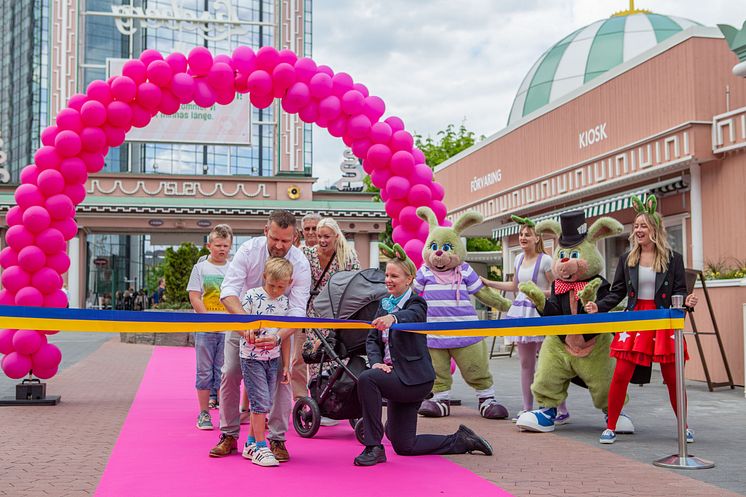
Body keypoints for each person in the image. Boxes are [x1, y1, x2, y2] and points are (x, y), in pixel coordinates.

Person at [354, 243, 494, 467]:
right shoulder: (384, 305)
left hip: (414, 379)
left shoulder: (417, 302)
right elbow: (372, 339)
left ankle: (373, 446)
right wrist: (377, 362)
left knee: (367, 379)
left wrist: (394, 318)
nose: (388, 279)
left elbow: (413, 315)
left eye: (394, 276)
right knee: (404, 446)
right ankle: (461, 441)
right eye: (386, 275)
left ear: (409, 279)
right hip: (393, 376)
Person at [586, 195, 698, 444]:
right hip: (636, 319)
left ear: (655, 229)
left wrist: (686, 302)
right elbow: (617, 292)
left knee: (672, 377)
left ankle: (684, 426)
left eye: (643, 226)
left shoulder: (673, 258)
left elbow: (679, 290)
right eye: (636, 226)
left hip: (663, 318)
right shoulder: (627, 259)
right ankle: (611, 426)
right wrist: (598, 307)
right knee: (621, 374)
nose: (638, 230)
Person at [210, 210, 311, 462]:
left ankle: (277, 439)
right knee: (230, 372)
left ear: (294, 237)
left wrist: (277, 337)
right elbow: (228, 291)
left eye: (285, 241)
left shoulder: (300, 264)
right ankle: (229, 435)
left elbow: (298, 312)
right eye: (274, 238)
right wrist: (245, 324)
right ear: (266, 230)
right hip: (241, 321)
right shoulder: (248, 250)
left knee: (282, 378)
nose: (279, 245)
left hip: (281, 331)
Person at [480, 215, 570, 423]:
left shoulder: (546, 261)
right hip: (522, 314)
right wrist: (488, 282)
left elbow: (557, 289)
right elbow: (513, 287)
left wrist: (536, 293)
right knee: (525, 363)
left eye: (527, 234)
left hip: (540, 313)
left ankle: (560, 408)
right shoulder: (519, 259)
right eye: (521, 234)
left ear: (537, 238)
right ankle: (527, 408)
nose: (523, 237)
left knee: (549, 364)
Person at [301, 217, 360, 425]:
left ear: (336, 235)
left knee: (339, 354)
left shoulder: (348, 256)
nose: (322, 240)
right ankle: (321, 399)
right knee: (316, 355)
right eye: (319, 236)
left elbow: (356, 283)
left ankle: (340, 398)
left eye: (326, 236)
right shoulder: (306, 253)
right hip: (315, 311)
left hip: (339, 311)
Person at [239, 257, 293, 467]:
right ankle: (262, 447)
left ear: (289, 283)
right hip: (251, 358)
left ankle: (251, 443)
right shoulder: (252, 297)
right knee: (260, 402)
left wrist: (286, 365)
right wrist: (247, 332)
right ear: (264, 278)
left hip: (273, 359)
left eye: (281, 286)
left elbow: (286, 336)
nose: (276, 290)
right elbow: (239, 323)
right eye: (272, 285)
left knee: (264, 403)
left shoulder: (285, 303)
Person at [188, 224, 233, 430]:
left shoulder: (233, 268)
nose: (222, 249)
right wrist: (207, 319)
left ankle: (225, 410)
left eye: (225, 245)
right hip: (206, 329)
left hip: (228, 329)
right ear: (209, 246)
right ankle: (204, 412)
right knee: (204, 371)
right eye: (218, 245)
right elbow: (195, 295)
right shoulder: (200, 268)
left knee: (224, 371)